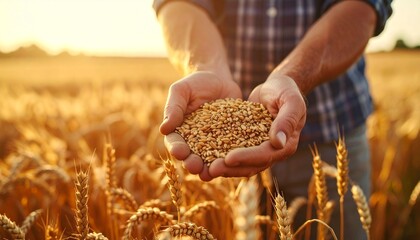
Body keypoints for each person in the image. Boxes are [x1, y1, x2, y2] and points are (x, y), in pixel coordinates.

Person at [153, 0, 392, 239]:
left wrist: (293, 75)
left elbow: (362, 6)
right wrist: (206, 66)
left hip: (333, 138)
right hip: (237, 172)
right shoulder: (217, 127)